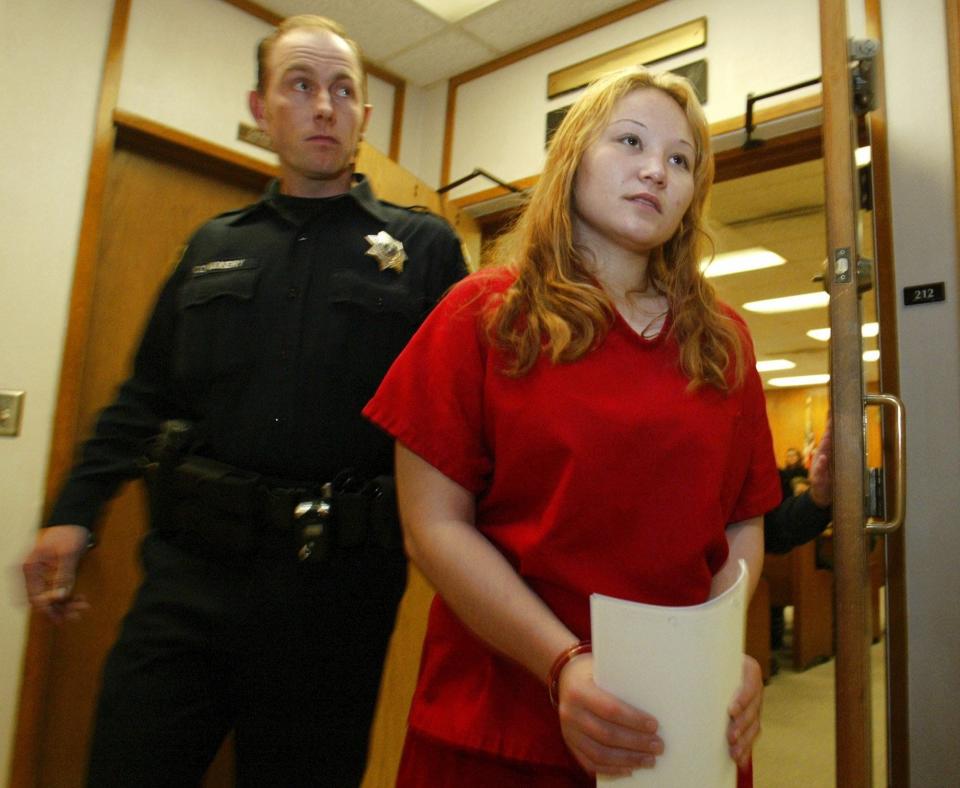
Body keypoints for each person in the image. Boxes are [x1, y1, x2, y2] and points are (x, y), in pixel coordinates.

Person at [21, 15, 466, 787]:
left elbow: (472, 409)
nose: (323, 106)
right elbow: (144, 394)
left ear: (363, 115)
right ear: (262, 109)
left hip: (335, 597)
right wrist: (73, 511)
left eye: (341, 90)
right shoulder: (210, 246)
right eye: (300, 85)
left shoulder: (422, 250)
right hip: (190, 582)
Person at [363, 67, 781, 787]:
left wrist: (717, 653)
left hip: (678, 725)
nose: (656, 170)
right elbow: (432, 527)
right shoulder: (484, 314)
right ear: (574, 158)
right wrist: (562, 664)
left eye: (681, 160)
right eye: (630, 141)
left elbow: (742, 526)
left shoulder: (723, 341)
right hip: (503, 721)